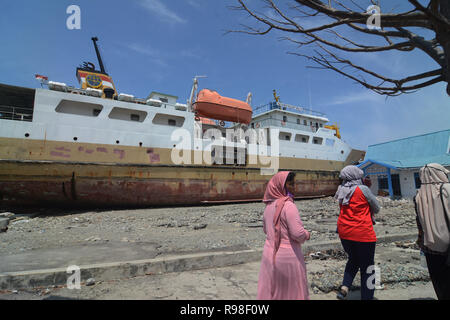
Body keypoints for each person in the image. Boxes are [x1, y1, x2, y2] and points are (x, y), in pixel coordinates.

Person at [257, 171, 311, 300]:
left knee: (274, 292)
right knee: (291, 293)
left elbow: (266, 230)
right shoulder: (289, 206)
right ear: (281, 186)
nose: (294, 187)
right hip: (288, 257)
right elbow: (297, 234)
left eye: (294, 184)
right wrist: (307, 234)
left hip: (269, 255)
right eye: (291, 184)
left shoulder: (269, 206)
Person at [335, 165, 380, 300]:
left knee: (353, 259)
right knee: (368, 266)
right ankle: (368, 297)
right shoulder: (363, 189)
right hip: (363, 233)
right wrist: (367, 190)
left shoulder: (341, 189)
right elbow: (376, 208)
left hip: (344, 232)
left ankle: (344, 288)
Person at [414, 163, 450, 300]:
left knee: (440, 283)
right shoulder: (447, 189)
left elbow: (420, 223)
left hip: (430, 247)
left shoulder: (418, 195)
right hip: (448, 247)